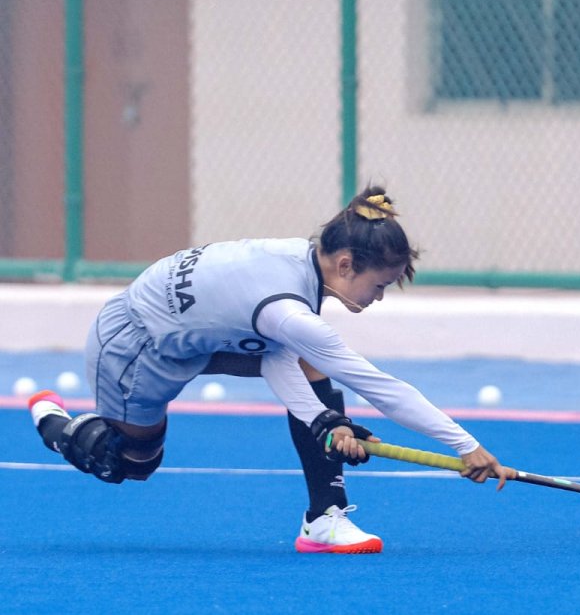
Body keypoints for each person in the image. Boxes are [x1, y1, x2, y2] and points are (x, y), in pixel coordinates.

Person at [28, 186, 512, 554]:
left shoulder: (300, 265)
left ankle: (324, 517)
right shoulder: (288, 307)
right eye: (379, 284)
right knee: (130, 465)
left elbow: (276, 354)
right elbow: (378, 387)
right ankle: (53, 421)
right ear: (346, 264)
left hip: (202, 338)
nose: (379, 296)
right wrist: (466, 446)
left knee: (307, 364)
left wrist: (323, 420)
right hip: (137, 347)